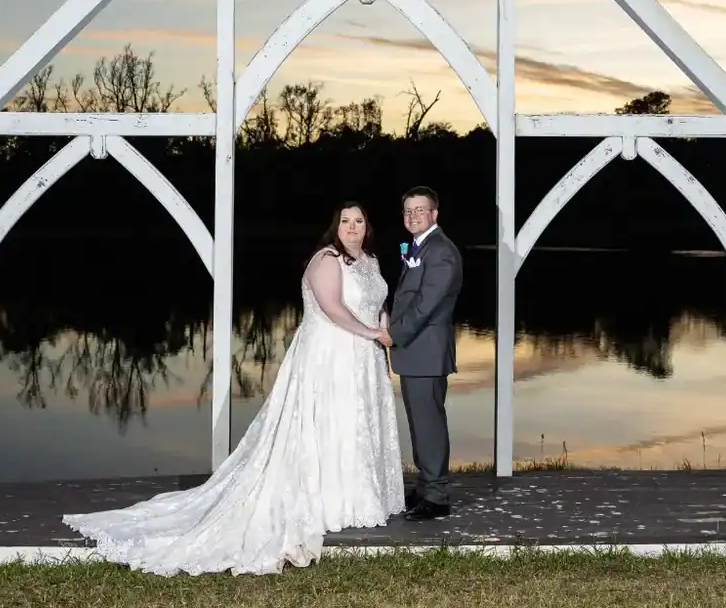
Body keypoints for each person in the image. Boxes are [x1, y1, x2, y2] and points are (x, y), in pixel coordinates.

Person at [63, 200, 405, 575]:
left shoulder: (370, 261)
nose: (352, 227)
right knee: (328, 423)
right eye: (345, 221)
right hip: (330, 356)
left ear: (367, 226)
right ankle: (327, 502)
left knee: (354, 426)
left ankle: (356, 500)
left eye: (359, 221)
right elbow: (332, 307)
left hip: (363, 359)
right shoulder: (326, 259)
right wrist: (373, 332)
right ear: (335, 227)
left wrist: (384, 327)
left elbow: (377, 303)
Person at [388, 185, 464, 520]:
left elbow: (426, 305)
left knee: (429, 425)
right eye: (408, 211)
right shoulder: (423, 246)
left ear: (434, 214)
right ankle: (425, 487)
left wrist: (393, 334)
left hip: (426, 352)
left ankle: (437, 497)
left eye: (420, 210)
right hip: (417, 353)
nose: (413, 216)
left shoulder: (441, 251)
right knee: (420, 423)